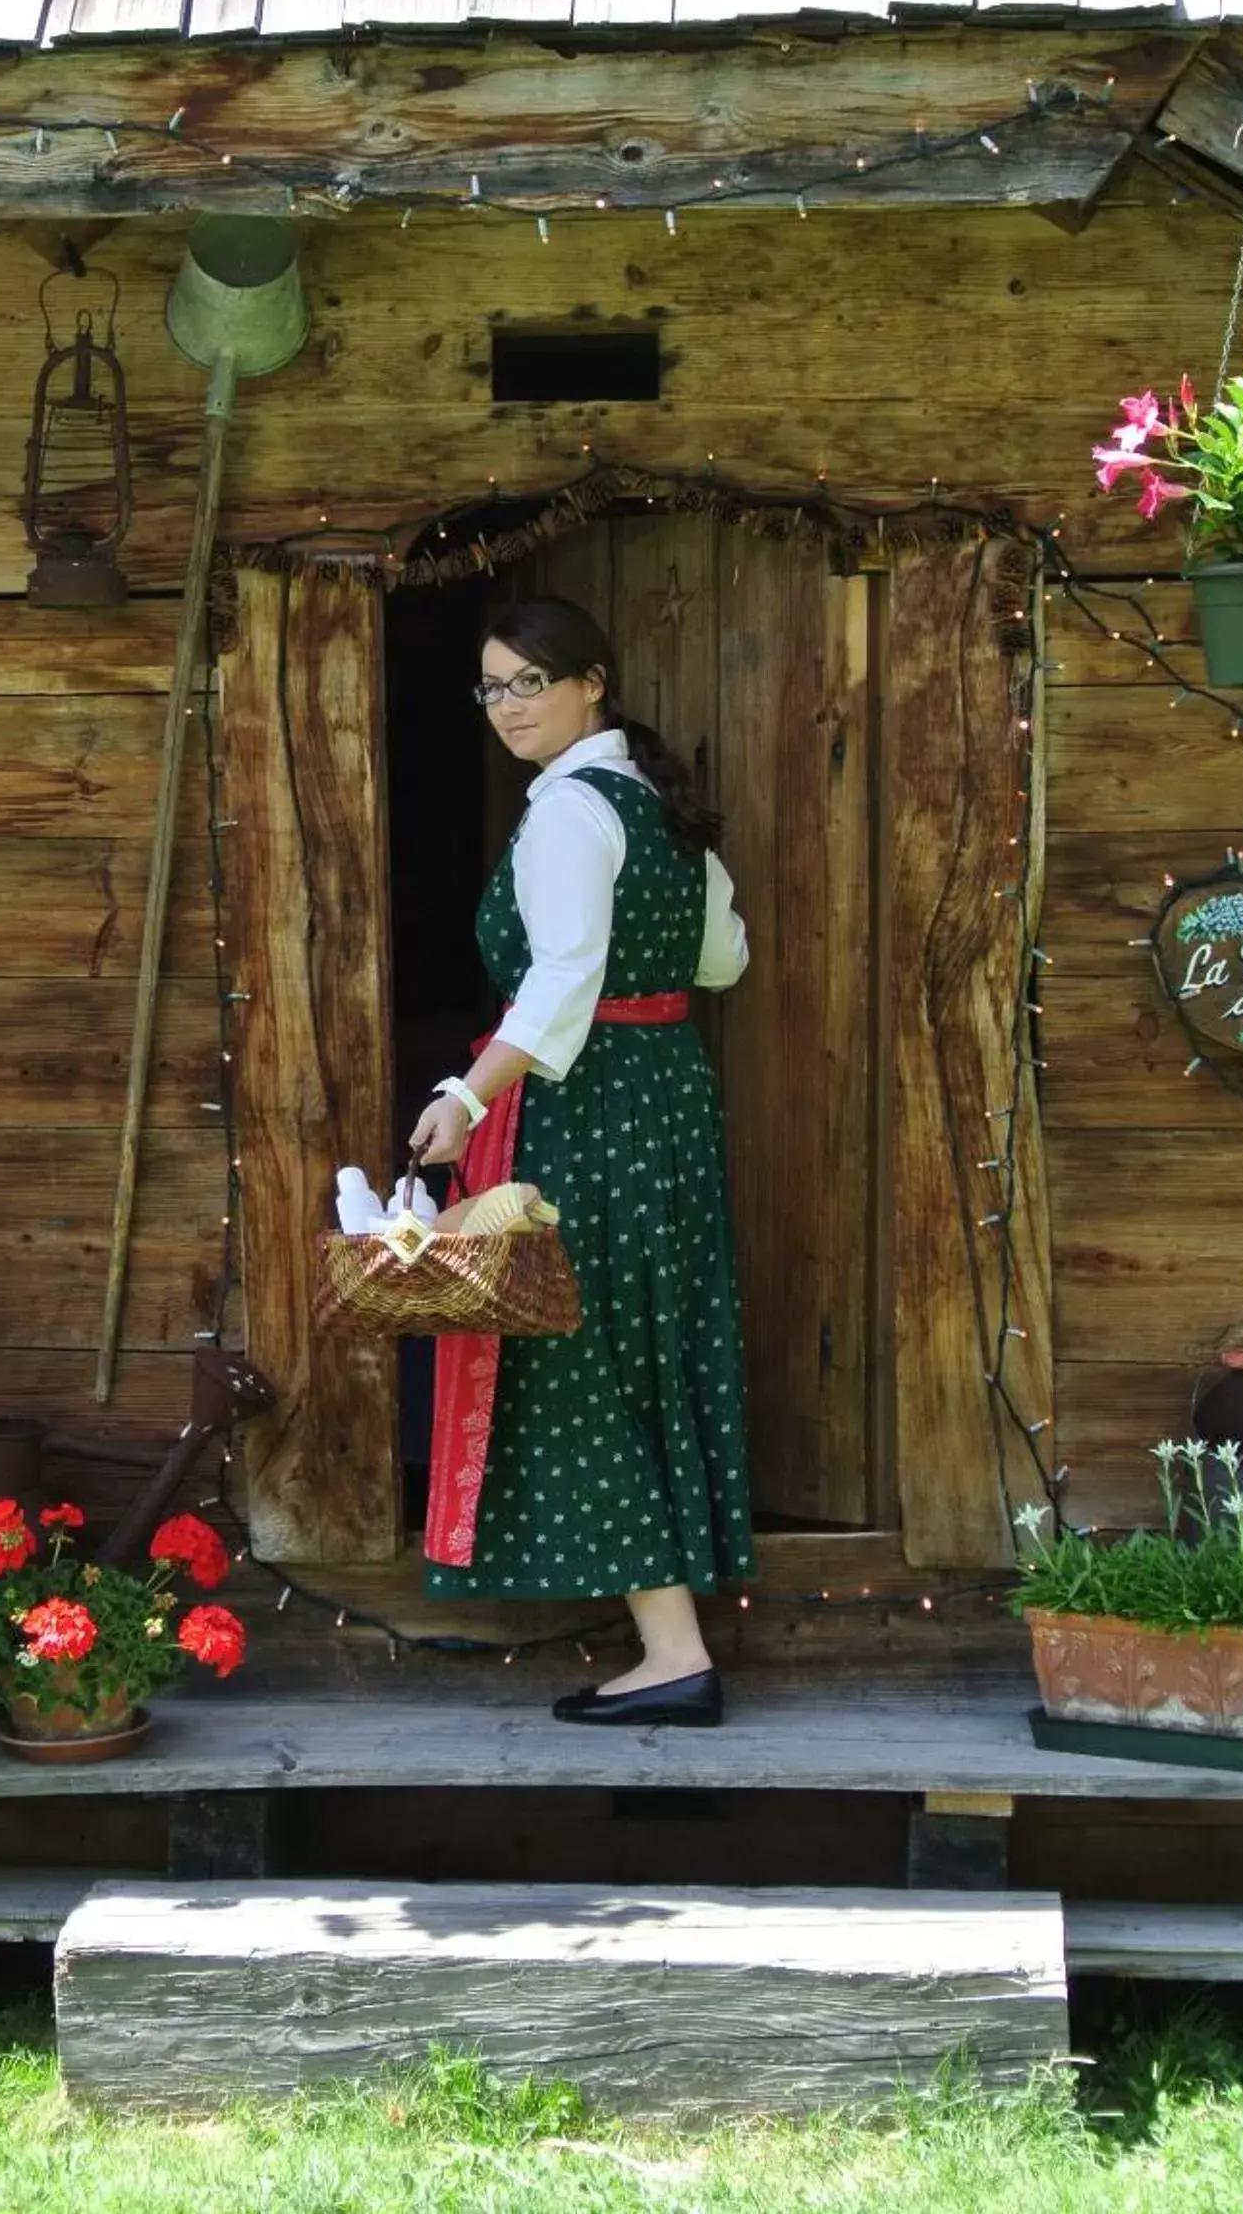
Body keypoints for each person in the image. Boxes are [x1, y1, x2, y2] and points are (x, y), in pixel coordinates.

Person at [407, 593, 754, 1725]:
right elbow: (721, 960)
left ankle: (674, 1652)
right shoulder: (657, 802)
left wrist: (467, 1092)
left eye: (531, 682)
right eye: (492, 686)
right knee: (642, 1339)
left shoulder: (565, 813)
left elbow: (561, 979)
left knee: (583, 1348)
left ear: (592, 681)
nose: (509, 706)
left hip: (586, 1107)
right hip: (664, 1099)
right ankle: (675, 1644)